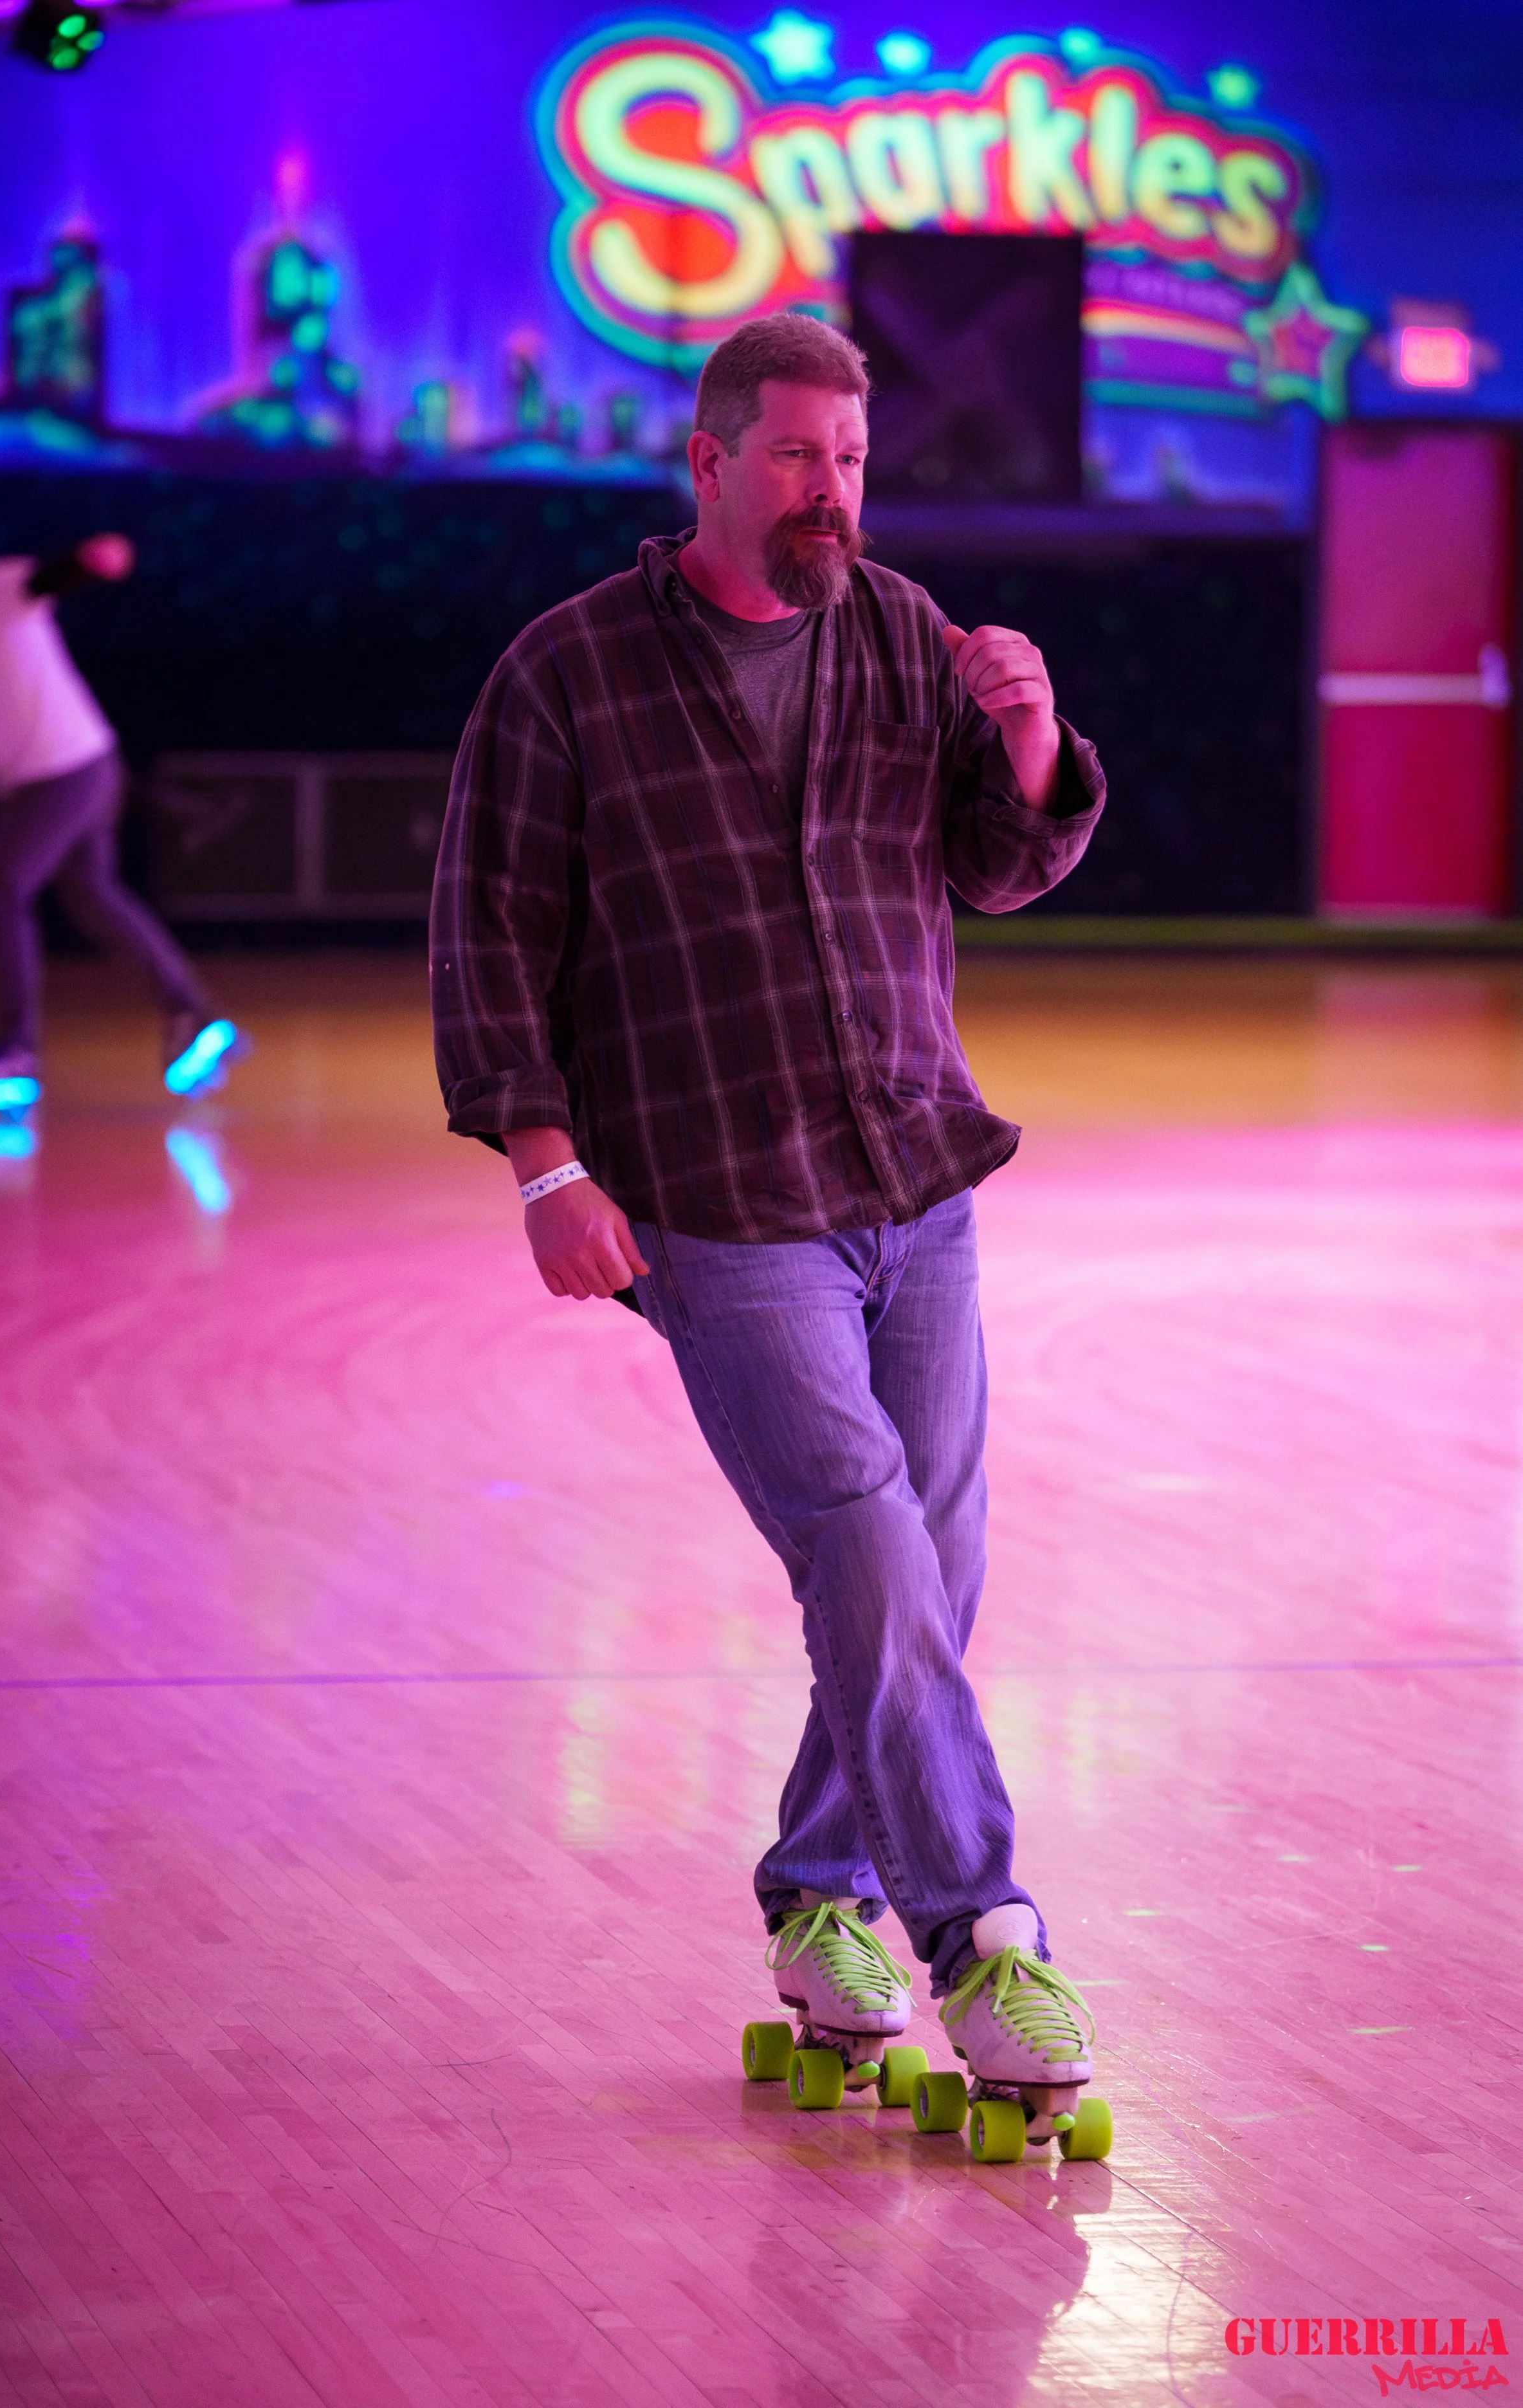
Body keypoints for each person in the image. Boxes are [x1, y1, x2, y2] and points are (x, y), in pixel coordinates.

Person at [432, 313, 1108, 2136]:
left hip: (911, 1169)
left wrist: (1032, 743)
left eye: (856, 460)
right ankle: (981, 1926)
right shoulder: (567, 672)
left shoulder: (901, 634)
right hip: (716, 1196)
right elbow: (488, 925)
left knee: (927, 1562)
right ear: (712, 462)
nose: (836, 492)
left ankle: (824, 1898)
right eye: (803, 458)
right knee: (862, 1533)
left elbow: (992, 859)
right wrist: (544, 1159)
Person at [0, 523, 246, 1101]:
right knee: (95, 896)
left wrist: (90, 562)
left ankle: (16, 1052)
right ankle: (198, 1017)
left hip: (62, 772)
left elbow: (49, 578)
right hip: (87, 766)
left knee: (0, 893)